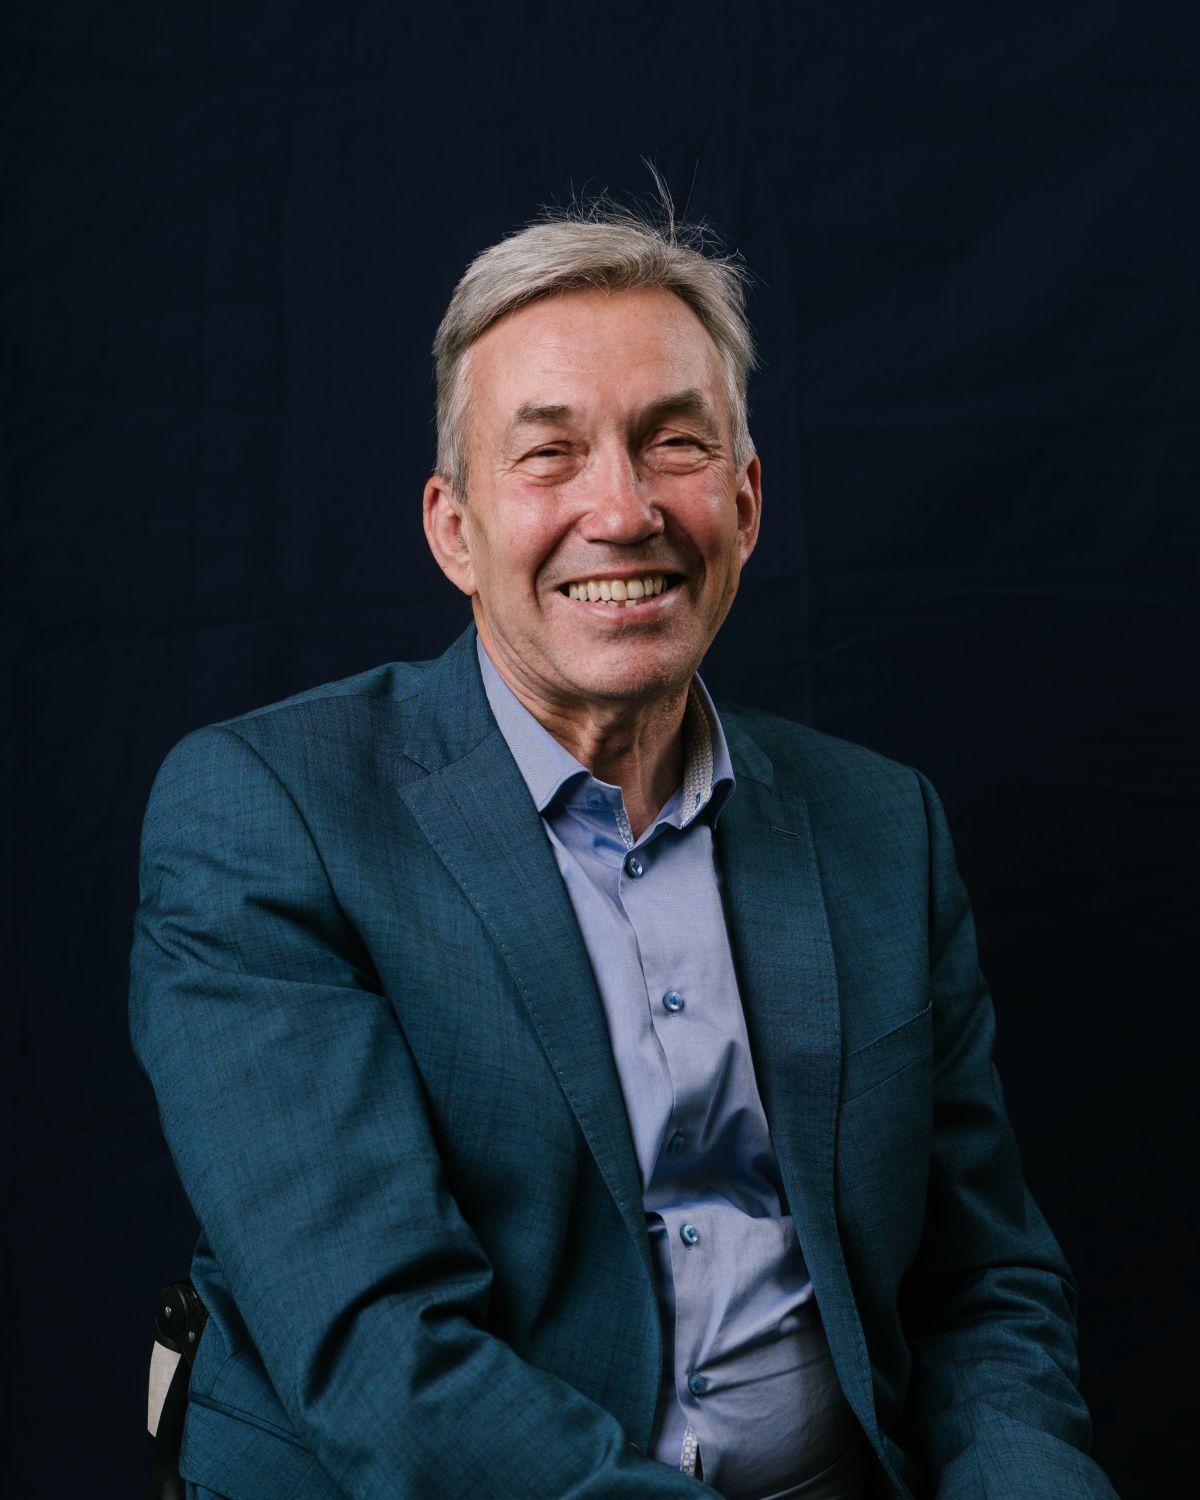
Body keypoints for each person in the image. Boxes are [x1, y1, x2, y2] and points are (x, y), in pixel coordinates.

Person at [130, 203, 1117, 1500]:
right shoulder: (268, 816)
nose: (626, 508)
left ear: (747, 503)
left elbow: (982, 1291)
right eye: (549, 456)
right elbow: (383, 1360)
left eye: (675, 443)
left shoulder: (885, 829)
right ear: (454, 530)